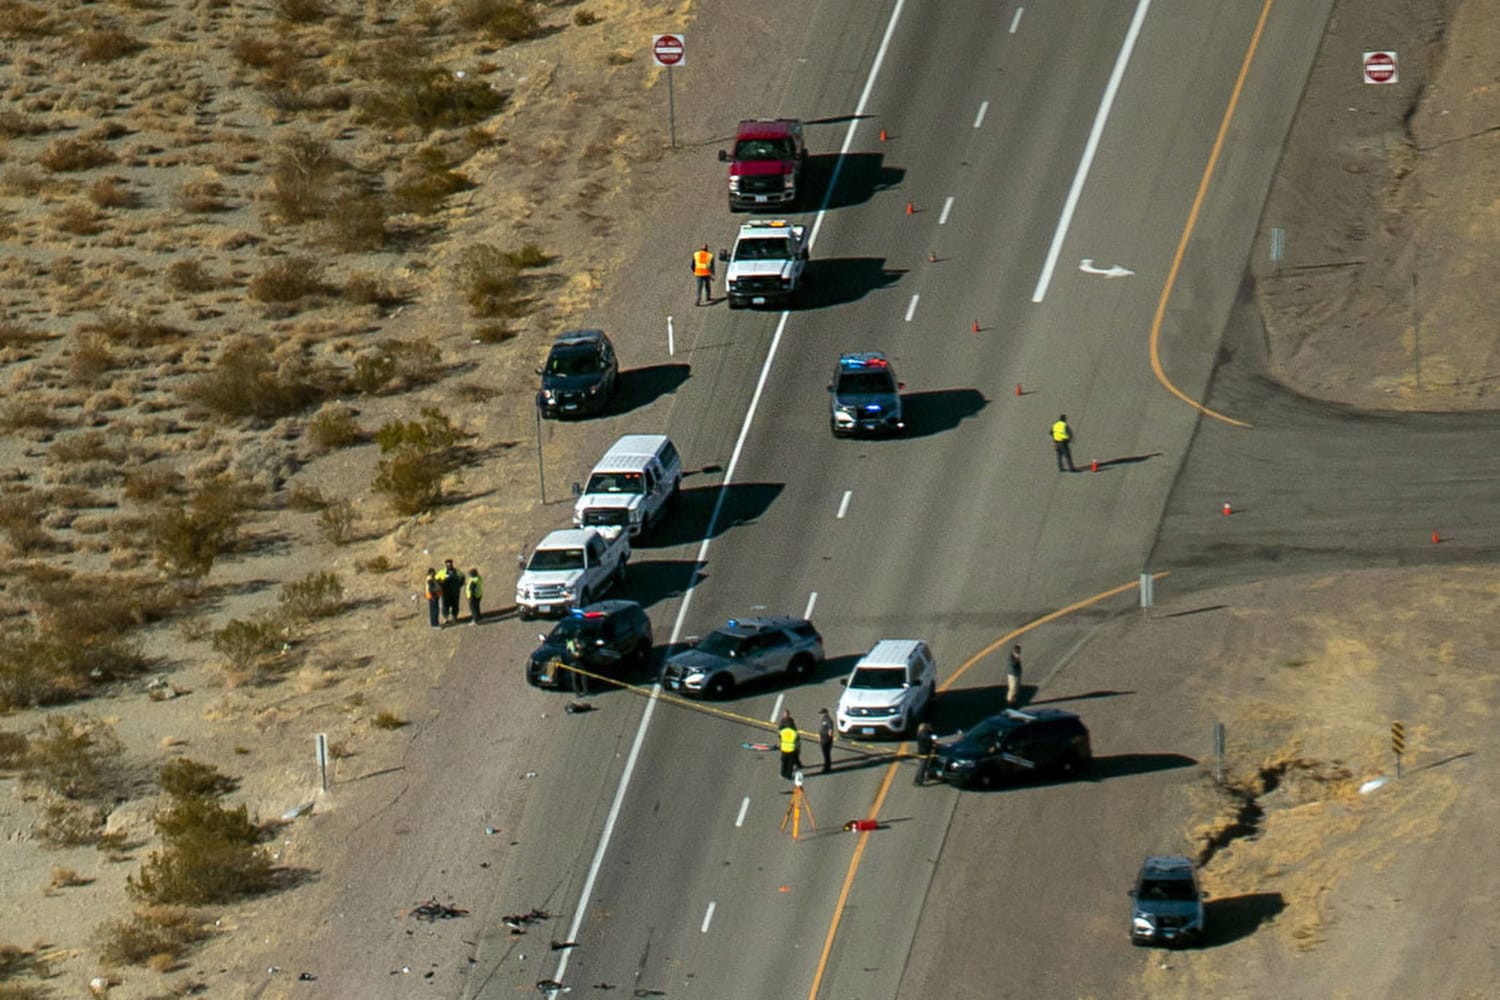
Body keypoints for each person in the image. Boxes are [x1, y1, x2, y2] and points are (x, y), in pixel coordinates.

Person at [437, 558, 464, 624]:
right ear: (445, 565)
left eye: (450, 564)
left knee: (455, 605)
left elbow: (462, 577)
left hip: (455, 592)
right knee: (445, 605)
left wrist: (459, 585)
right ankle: (445, 618)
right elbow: (436, 579)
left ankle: (454, 617)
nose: (449, 566)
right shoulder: (442, 572)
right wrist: (440, 585)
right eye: (448, 565)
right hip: (445, 592)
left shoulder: (457, 571)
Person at [818, 708, 835, 774]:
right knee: (825, 754)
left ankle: (827, 768)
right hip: (823, 739)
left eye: (822, 713)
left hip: (826, 739)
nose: (821, 715)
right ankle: (826, 766)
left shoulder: (828, 720)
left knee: (826, 754)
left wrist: (829, 737)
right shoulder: (823, 720)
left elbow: (830, 729)